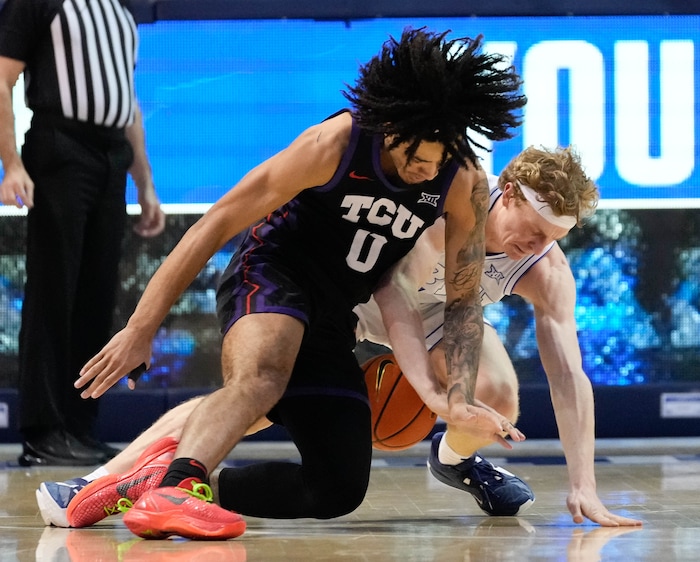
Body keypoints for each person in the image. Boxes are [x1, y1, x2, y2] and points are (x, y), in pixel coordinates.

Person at [60, 28, 527, 540]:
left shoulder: (463, 181)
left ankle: (177, 483)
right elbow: (216, 222)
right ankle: (177, 486)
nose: (426, 170)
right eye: (418, 158)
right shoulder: (335, 143)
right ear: (391, 124)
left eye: (438, 159)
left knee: (337, 488)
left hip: (333, 312)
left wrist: (457, 397)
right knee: (263, 376)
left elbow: (463, 304)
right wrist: (141, 328)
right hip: (271, 271)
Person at [36, 146, 641, 530]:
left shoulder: (545, 269)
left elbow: (569, 376)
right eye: (529, 229)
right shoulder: (441, 202)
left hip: (438, 324)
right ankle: (91, 485)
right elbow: (388, 295)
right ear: (503, 192)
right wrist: (434, 394)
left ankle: (457, 461)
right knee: (253, 403)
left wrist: (583, 486)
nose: (534, 246)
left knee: (500, 391)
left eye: (549, 238)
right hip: (358, 312)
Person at [0, 0, 166, 466]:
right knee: (54, 292)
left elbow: (126, 100)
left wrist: (146, 183)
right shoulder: (39, 3)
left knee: (96, 296)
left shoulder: (120, 12)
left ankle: (79, 426)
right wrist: (11, 164)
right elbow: (2, 77)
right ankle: (44, 430)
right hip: (60, 145)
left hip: (112, 155)